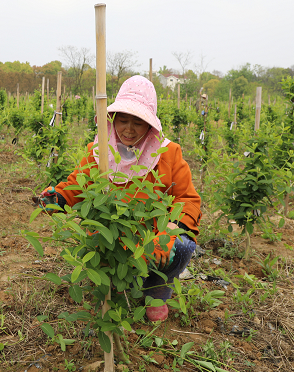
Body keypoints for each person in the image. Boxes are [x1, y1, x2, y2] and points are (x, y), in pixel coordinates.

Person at [38, 76, 201, 322]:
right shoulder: (100, 150)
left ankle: (157, 290)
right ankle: (118, 285)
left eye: (138, 122)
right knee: (116, 283)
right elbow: (77, 184)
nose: (128, 129)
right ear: (110, 120)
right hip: (113, 238)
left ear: (151, 126)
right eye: (122, 120)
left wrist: (171, 230)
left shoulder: (167, 153)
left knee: (183, 247)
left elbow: (187, 199)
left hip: (152, 238)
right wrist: (58, 198)